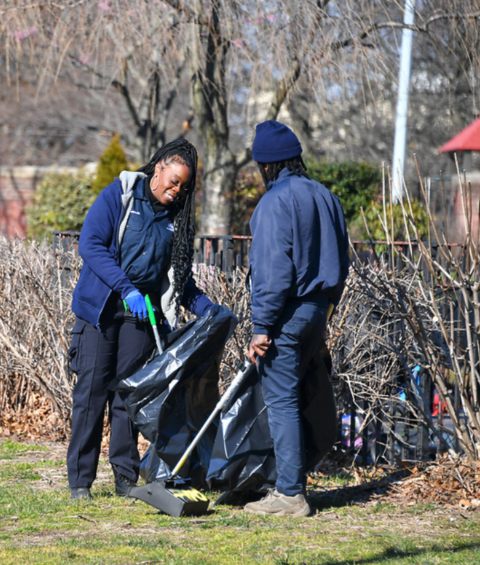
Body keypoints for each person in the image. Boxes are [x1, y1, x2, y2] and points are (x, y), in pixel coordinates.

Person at [67, 138, 216, 500]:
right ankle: (81, 483)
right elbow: (91, 245)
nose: (177, 190)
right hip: (101, 311)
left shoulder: (175, 219)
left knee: (126, 399)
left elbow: (180, 278)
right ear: (160, 166)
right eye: (174, 180)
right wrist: (126, 288)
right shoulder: (119, 196)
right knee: (91, 394)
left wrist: (206, 308)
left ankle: (125, 478)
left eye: (184, 186)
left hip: (141, 318)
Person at [243, 121, 349, 517]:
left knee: (283, 399)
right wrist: (326, 309)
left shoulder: (275, 203)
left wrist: (261, 326)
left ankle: (290, 493)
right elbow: (342, 258)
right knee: (298, 393)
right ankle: (291, 480)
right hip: (318, 310)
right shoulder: (325, 197)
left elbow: (272, 271)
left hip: (285, 314)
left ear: (267, 165)